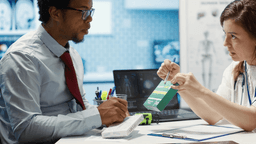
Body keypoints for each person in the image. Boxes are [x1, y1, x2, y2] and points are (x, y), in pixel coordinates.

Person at [0, 0, 128, 143]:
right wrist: (97, 116)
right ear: (55, 13)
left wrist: (110, 113)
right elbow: (26, 129)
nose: (90, 19)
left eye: (91, 11)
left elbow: (79, 108)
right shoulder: (22, 58)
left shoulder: (72, 56)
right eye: (83, 12)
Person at [157, 0, 256, 132]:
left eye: (233, 36)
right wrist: (178, 83)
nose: (225, 43)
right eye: (224, 34)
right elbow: (214, 115)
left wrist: (201, 91)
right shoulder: (234, 69)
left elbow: (252, 120)